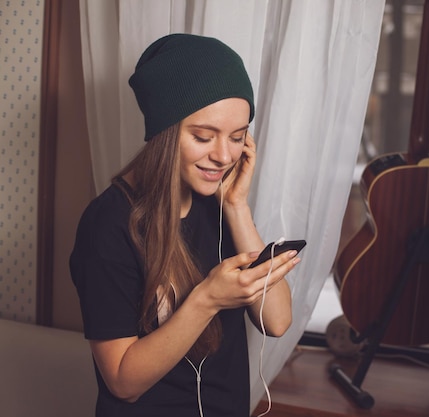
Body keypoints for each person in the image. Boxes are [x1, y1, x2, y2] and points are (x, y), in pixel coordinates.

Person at [70, 33, 300, 417]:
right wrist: (207, 299)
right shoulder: (107, 224)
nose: (224, 155)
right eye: (203, 136)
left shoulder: (219, 203)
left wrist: (237, 207)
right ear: (163, 133)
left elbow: (276, 320)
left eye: (238, 137)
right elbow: (123, 383)